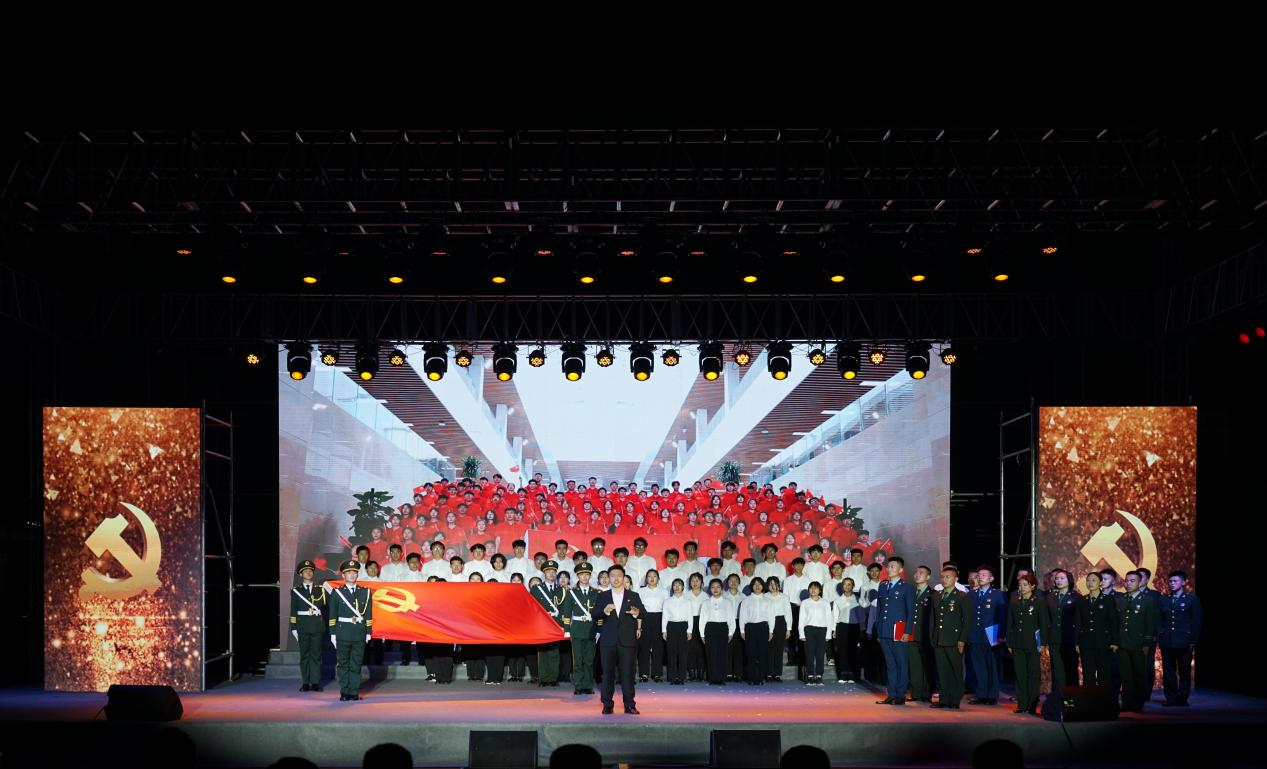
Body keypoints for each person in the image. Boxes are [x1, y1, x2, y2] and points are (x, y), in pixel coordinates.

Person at [594, 564, 645, 714]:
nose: (616, 579)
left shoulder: (633, 596)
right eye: (612, 576)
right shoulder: (603, 596)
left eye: (619, 576)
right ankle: (607, 704)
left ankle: (630, 705)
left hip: (627, 641)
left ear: (624, 578)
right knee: (607, 674)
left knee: (628, 674)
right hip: (608, 641)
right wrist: (604, 611)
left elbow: (644, 614)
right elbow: (594, 614)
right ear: (609, 578)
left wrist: (636, 613)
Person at [872, 556, 915, 705]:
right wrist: (879, 631)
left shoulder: (907, 587)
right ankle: (891, 694)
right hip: (884, 631)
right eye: (888, 566)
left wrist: (908, 632)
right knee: (890, 664)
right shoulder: (883, 587)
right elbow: (879, 610)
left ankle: (900, 695)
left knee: (901, 663)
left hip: (899, 631)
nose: (889, 569)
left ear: (900, 570)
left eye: (893, 566)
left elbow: (911, 611)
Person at [329, 559, 373, 701]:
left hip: (359, 632)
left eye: (354, 572)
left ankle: (354, 692)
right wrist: (333, 634)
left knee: (356, 663)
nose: (352, 575)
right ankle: (344, 691)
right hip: (343, 632)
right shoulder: (337, 593)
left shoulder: (365, 592)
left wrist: (368, 632)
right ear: (343, 575)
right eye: (349, 573)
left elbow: (368, 614)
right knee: (343, 664)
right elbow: (332, 615)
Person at [1006, 572, 1049, 715]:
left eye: (1025, 585)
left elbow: (1043, 625)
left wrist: (1043, 643)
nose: (1022, 587)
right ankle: (1022, 704)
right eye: (1020, 585)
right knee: (1020, 675)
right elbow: (1010, 623)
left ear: (1033, 586)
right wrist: (1009, 642)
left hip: (1033, 644)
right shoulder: (1014, 601)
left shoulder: (1039, 602)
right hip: (1017, 643)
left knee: (1033, 674)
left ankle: (1032, 705)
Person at [1119, 570, 1160, 712]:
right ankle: (1127, 702)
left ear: (1140, 582)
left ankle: (1138, 703)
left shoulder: (1147, 600)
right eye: (1126, 581)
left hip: (1139, 644)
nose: (1128, 584)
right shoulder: (1121, 599)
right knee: (1125, 676)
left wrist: (1147, 643)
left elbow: (1150, 624)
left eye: (1132, 581)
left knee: (1139, 675)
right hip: (1123, 643)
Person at [1158, 570, 1200, 707]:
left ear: (1183, 582)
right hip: (1167, 641)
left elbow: (1196, 622)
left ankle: (1182, 699)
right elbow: (1160, 621)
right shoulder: (1164, 599)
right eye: (1170, 581)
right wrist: (1160, 636)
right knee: (1169, 672)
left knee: (1184, 672)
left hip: (1184, 642)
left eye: (1175, 581)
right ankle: (1171, 698)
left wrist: (1193, 641)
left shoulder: (1191, 599)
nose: (1172, 583)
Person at [967, 565, 1007, 706]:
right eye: (979, 575)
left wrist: (1001, 635)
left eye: (984, 575)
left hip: (991, 635)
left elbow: (1002, 616)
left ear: (991, 578)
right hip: (974, 635)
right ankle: (981, 694)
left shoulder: (997, 594)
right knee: (978, 666)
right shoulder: (971, 594)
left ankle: (992, 695)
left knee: (992, 666)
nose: (980, 577)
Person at [931, 566, 970, 709]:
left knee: (955, 670)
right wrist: (933, 637)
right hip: (939, 638)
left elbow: (967, 621)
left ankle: (955, 699)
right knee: (942, 671)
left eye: (948, 577)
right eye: (942, 577)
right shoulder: (937, 595)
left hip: (954, 639)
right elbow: (933, 619)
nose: (944, 579)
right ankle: (944, 699)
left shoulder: (961, 596)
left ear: (956, 579)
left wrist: (962, 639)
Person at [1074, 570, 1119, 687]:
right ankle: (1090, 698)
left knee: (1104, 674)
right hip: (1086, 643)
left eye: (1094, 580)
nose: (1090, 583)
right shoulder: (1081, 600)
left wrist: (1114, 642)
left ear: (1100, 583)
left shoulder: (1108, 600)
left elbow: (1113, 622)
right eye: (1088, 580)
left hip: (1104, 642)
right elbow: (1078, 623)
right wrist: (1077, 642)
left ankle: (1103, 698)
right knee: (1088, 674)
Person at [561, 562, 599, 695]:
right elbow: (566, 613)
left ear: (590, 576)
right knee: (577, 660)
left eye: (587, 574)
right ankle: (578, 685)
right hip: (576, 629)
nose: (584, 577)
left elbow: (599, 614)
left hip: (591, 629)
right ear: (577, 576)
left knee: (589, 660)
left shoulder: (596, 593)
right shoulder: (572, 593)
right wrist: (567, 630)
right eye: (581, 574)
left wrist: (598, 630)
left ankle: (588, 685)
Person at [289, 560, 327, 692]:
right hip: (303, 626)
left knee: (316, 655)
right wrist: (294, 627)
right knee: (304, 655)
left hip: (317, 626)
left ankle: (315, 682)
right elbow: (293, 611)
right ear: (301, 574)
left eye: (310, 571)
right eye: (305, 571)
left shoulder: (320, 589)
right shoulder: (296, 591)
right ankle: (305, 682)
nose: (308, 573)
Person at [1045, 568, 1081, 690]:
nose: (1058, 581)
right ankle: (1058, 696)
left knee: (1071, 669)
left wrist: (1077, 640)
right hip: (1054, 638)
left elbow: (1078, 621)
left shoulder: (1076, 597)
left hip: (1070, 639)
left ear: (1069, 580)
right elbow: (1047, 619)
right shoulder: (1050, 597)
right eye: (1057, 578)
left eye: (1062, 578)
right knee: (1057, 670)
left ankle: (1072, 696)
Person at [532, 560, 564, 687]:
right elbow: (533, 608)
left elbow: (563, 609)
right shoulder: (537, 589)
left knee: (554, 651)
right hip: (543, 624)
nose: (551, 574)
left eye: (553, 572)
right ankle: (544, 678)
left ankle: (553, 678)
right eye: (548, 572)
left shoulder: (561, 590)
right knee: (542, 651)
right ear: (544, 573)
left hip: (556, 623)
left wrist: (562, 624)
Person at [908, 565, 936, 703]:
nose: (917, 575)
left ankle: (927, 693)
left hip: (926, 636)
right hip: (912, 635)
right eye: (916, 572)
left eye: (921, 573)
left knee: (927, 665)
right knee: (914, 666)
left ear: (928, 577)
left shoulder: (933, 594)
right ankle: (916, 693)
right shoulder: (911, 592)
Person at [799, 581, 835, 686]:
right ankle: (810, 676)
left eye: (816, 588)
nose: (813, 590)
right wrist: (801, 633)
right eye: (811, 588)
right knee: (809, 654)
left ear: (820, 590)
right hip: (809, 630)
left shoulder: (825, 602)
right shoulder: (805, 603)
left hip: (822, 630)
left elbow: (829, 619)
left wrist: (828, 634)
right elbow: (801, 619)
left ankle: (819, 676)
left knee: (820, 655)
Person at [739, 577, 774, 685]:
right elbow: (742, 616)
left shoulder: (768, 601)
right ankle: (751, 677)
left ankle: (761, 677)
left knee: (763, 653)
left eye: (759, 584)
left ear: (763, 586)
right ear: (752, 586)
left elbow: (771, 617)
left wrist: (771, 630)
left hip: (763, 628)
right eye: (755, 584)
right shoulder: (746, 600)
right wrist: (742, 630)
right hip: (750, 628)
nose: (757, 586)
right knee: (750, 654)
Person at [701, 578, 736, 685]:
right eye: (713, 587)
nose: (715, 589)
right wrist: (702, 634)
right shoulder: (705, 603)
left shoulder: (727, 603)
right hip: (710, 628)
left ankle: (721, 678)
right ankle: (712, 678)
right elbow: (702, 620)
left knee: (722, 654)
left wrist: (730, 633)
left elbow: (731, 619)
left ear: (722, 588)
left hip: (722, 628)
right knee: (711, 654)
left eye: (718, 587)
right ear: (710, 589)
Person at [637, 569, 668, 682]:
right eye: (649, 576)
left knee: (658, 647)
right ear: (646, 579)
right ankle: (644, 673)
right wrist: (638, 626)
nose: (652, 578)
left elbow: (667, 609)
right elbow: (638, 608)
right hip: (645, 618)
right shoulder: (640, 591)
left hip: (659, 618)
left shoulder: (664, 592)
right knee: (644, 647)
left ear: (658, 579)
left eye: (654, 576)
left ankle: (657, 674)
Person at [833, 577, 864, 682]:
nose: (847, 586)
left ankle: (852, 675)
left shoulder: (858, 600)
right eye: (845, 584)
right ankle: (843, 674)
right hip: (841, 626)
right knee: (842, 651)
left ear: (853, 586)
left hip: (854, 626)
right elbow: (835, 616)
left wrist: (862, 628)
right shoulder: (838, 600)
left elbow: (861, 616)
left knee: (853, 651)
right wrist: (834, 630)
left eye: (849, 584)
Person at [662, 578, 693, 685]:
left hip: (683, 626)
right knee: (671, 653)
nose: (677, 587)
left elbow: (690, 616)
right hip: (671, 626)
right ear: (672, 587)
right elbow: (665, 616)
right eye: (675, 585)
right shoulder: (667, 601)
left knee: (682, 654)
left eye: (679, 585)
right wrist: (664, 630)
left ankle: (681, 677)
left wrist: (689, 630)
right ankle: (672, 677)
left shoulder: (687, 601)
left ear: (683, 587)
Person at [764, 577, 793, 681]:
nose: (773, 586)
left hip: (780, 622)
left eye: (775, 584)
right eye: (770, 584)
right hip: (767, 623)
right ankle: (768, 673)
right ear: (767, 586)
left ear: (778, 585)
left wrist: (788, 628)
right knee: (768, 649)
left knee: (779, 649)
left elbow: (788, 613)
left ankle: (777, 674)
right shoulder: (764, 596)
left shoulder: (784, 597)